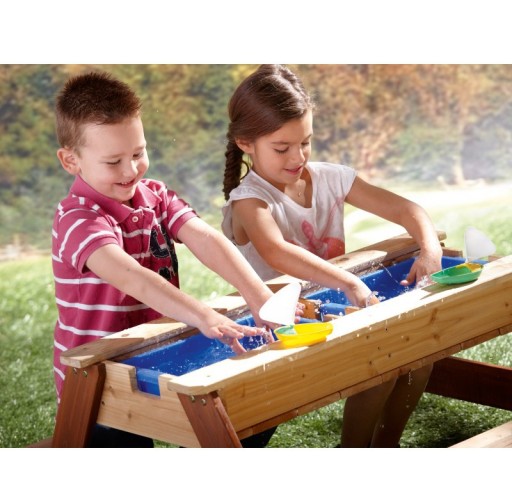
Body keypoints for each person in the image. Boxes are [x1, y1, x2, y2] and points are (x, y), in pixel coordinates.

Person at [52, 71, 280, 448]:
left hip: (152, 354)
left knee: (250, 411)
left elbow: (205, 238)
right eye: (113, 161)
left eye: (137, 153)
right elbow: (132, 277)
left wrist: (259, 295)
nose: (130, 171)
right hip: (97, 378)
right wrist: (204, 315)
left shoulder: (155, 195)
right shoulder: (77, 218)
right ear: (70, 160)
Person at [221, 64, 443, 448]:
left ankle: (386, 448)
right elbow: (277, 252)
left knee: (418, 357)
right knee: (382, 362)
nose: (298, 157)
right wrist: (350, 282)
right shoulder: (249, 201)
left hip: (334, 310)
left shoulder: (331, 178)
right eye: (282, 148)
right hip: (282, 326)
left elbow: (408, 210)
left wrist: (431, 250)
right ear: (245, 143)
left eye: (305, 142)